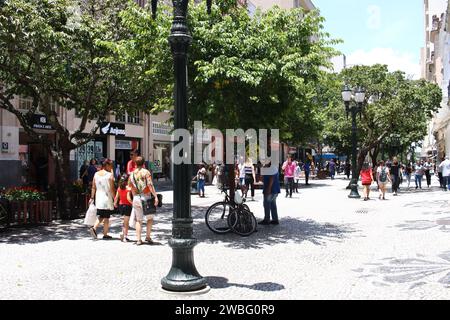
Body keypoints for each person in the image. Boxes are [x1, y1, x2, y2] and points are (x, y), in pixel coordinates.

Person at [129, 156, 158, 245]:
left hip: (136, 197)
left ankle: (138, 239)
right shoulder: (146, 172)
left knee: (139, 220)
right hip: (146, 197)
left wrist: (134, 197)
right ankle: (148, 237)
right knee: (150, 218)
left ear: (136, 163)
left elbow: (131, 187)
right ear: (144, 163)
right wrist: (155, 196)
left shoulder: (132, 173)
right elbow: (150, 185)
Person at [89, 159, 116, 240]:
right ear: (107, 165)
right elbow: (112, 188)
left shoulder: (96, 174)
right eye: (111, 165)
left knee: (102, 215)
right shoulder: (109, 175)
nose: (112, 167)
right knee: (107, 216)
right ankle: (103, 232)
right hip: (107, 197)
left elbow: (93, 187)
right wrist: (115, 198)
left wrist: (92, 197)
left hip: (99, 197)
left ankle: (95, 228)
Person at [259, 161, 281, 226]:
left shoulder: (271, 168)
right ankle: (275, 219)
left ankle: (267, 219)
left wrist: (268, 189)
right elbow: (262, 179)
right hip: (274, 190)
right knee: (273, 204)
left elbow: (272, 179)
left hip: (271, 190)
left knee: (266, 204)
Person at [114, 174, 133, 243]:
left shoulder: (119, 188)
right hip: (127, 206)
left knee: (125, 222)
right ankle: (124, 235)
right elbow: (128, 198)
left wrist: (115, 203)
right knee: (126, 222)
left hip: (121, 206)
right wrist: (133, 203)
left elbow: (116, 197)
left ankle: (125, 235)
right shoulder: (128, 188)